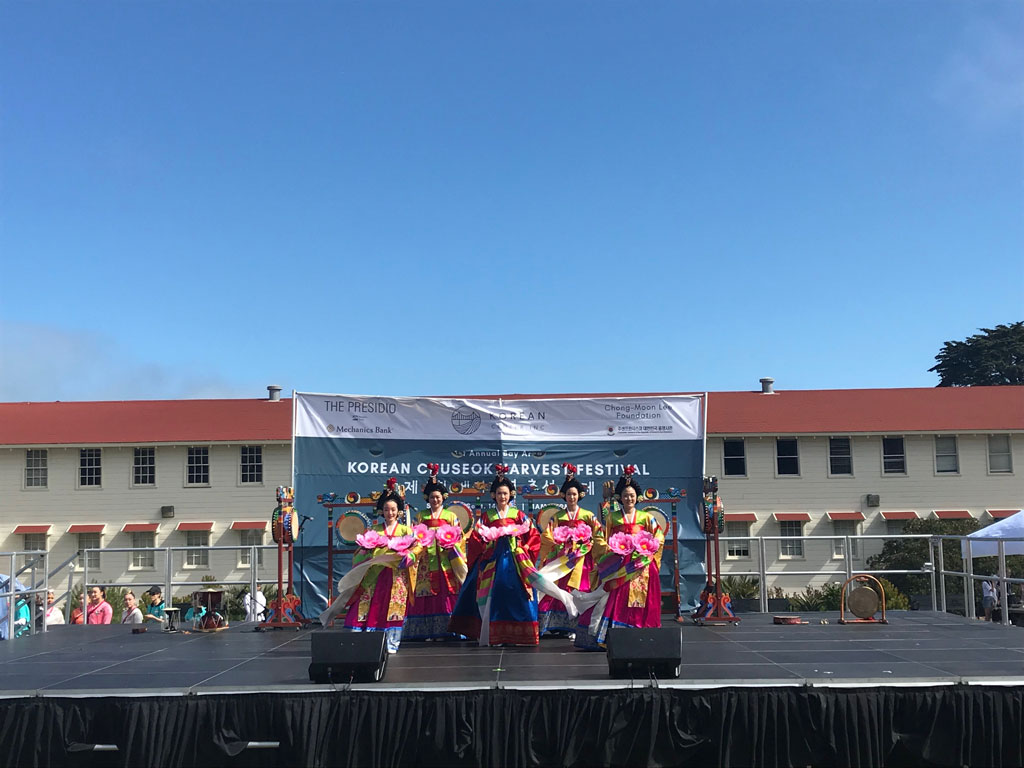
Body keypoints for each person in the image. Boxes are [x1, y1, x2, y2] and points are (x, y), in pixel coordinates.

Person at [449, 465, 576, 646]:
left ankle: (520, 635)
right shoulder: (486, 516)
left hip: (516, 560)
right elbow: (477, 538)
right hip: (493, 559)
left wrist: (522, 547)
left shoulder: (519, 515)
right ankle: (494, 634)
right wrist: (487, 546)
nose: (502, 496)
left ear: (510, 495)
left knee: (519, 594)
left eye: (505, 493)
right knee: (495, 594)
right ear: (493, 495)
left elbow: (532, 536)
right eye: (499, 493)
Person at [573, 466, 665, 650]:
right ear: (619, 498)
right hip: (618, 565)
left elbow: (658, 537)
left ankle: (640, 633)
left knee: (639, 601)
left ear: (637, 497)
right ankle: (612, 636)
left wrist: (647, 551)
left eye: (631, 495)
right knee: (615, 599)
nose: (628, 499)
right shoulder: (612, 518)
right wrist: (612, 549)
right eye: (625, 495)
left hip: (641, 566)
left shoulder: (646, 518)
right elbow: (599, 537)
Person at [339, 479, 419, 653]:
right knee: (369, 604)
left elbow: (417, 547)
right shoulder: (375, 529)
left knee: (394, 607)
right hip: (375, 574)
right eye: (386, 509)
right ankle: (366, 639)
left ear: (398, 512)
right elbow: (364, 550)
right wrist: (363, 554)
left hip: (396, 574)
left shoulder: (406, 530)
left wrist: (409, 556)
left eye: (393, 509)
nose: (389, 512)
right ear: (382, 511)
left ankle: (391, 642)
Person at [403, 464, 468, 641]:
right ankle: (427, 631)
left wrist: (451, 545)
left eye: (438, 497)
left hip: (446, 558)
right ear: (428, 498)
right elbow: (415, 535)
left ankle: (449, 629)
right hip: (426, 559)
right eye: (432, 497)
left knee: (447, 591)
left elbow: (459, 538)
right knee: (426, 592)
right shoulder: (421, 516)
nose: (435, 500)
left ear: (443, 498)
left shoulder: (450, 516)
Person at [537, 463, 603, 637]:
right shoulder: (558, 517)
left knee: (580, 588)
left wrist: (587, 545)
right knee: (560, 588)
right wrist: (561, 544)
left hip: (582, 559)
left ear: (579, 495)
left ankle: (577, 625)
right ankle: (557, 624)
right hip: (563, 558)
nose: (571, 497)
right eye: (568, 494)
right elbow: (547, 537)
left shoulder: (588, 516)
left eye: (574, 494)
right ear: (564, 496)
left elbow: (598, 535)